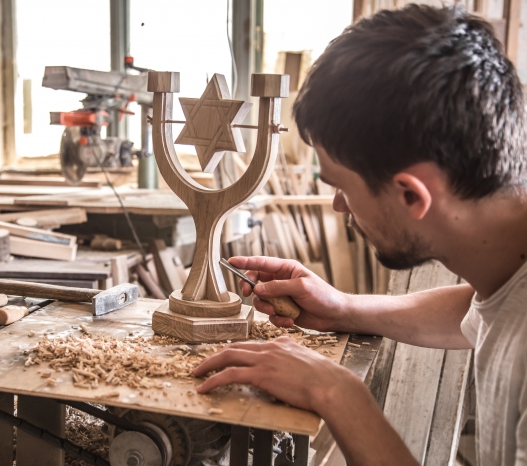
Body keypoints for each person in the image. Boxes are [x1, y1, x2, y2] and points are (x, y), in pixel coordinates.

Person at [193, 5, 527, 466]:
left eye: (341, 186)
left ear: (412, 195)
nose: (337, 205)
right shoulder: (507, 266)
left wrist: (338, 392)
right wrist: (344, 308)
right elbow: (482, 310)